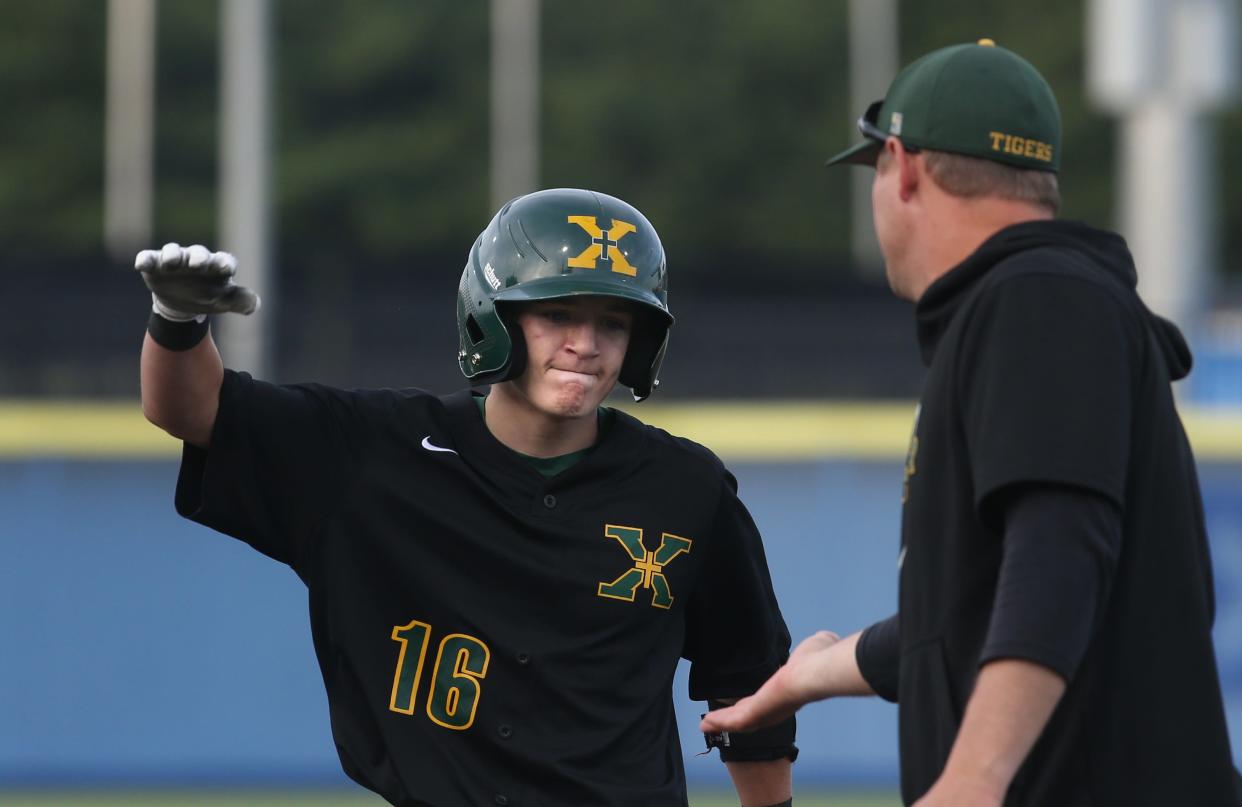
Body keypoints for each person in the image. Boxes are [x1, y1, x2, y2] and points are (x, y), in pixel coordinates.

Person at [702, 40, 1242, 806]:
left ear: (906, 165)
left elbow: (1059, 552)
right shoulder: (1043, 301)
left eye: (877, 172)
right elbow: (980, 611)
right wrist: (823, 667)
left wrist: (974, 777)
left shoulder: (1036, 297)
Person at [136, 188, 797, 807]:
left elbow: (751, 677)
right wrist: (179, 320)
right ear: (494, 314)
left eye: (614, 322)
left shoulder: (685, 487)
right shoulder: (369, 455)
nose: (586, 344)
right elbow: (192, 411)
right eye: (557, 311)